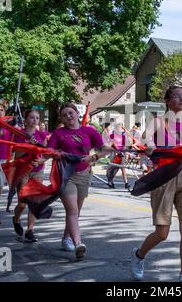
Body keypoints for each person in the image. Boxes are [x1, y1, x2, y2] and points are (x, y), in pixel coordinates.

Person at [131, 85, 182, 282]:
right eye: (177, 96)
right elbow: (144, 139)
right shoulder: (159, 121)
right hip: (162, 175)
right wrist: (151, 147)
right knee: (162, 232)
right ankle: (139, 255)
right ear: (167, 101)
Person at [48, 103, 109, 261]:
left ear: (77, 113)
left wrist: (94, 157)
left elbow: (104, 149)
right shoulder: (58, 133)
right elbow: (49, 151)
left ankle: (66, 238)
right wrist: (54, 154)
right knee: (73, 211)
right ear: (61, 118)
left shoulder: (89, 131)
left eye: (71, 113)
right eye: (65, 115)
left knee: (75, 212)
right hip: (66, 175)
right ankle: (78, 244)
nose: (69, 116)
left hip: (84, 173)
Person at [12, 110, 48, 242]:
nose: (34, 120)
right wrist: (29, 146)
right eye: (31, 117)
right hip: (23, 170)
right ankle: (16, 219)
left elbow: (45, 154)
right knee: (22, 204)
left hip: (37, 170)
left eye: (37, 118)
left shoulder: (42, 135)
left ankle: (30, 230)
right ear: (26, 120)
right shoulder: (19, 134)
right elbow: (18, 155)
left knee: (34, 202)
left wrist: (41, 157)